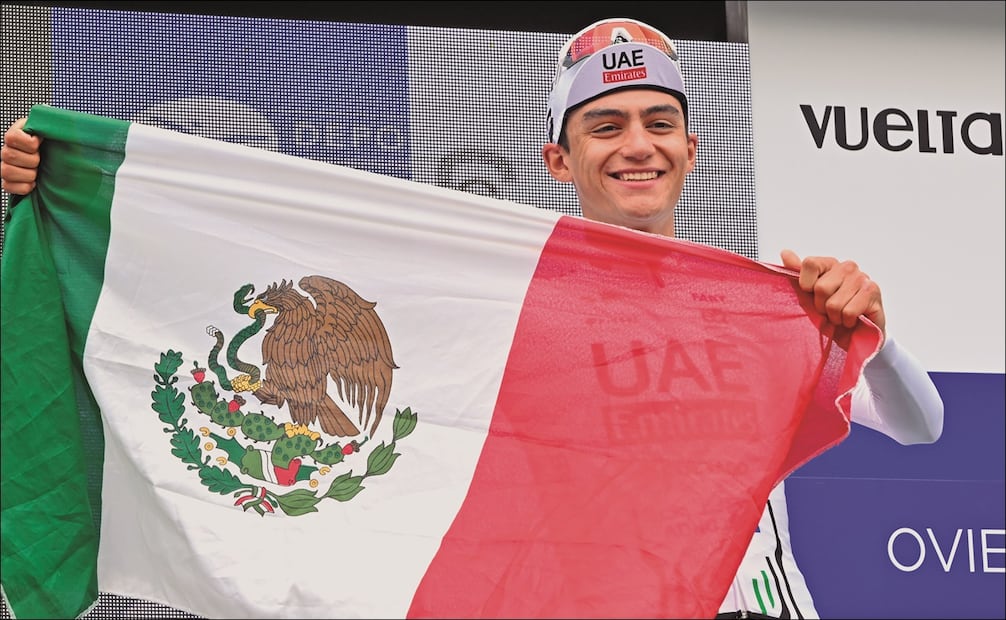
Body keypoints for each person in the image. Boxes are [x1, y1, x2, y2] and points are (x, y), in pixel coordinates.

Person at [0, 17, 944, 619]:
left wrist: (873, 331)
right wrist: (71, 192)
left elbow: (920, 425)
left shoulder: (766, 303)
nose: (637, 145)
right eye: (606, 127)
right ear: (556, 159)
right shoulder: (506, 303)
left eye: (658, 122)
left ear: (693, 149)